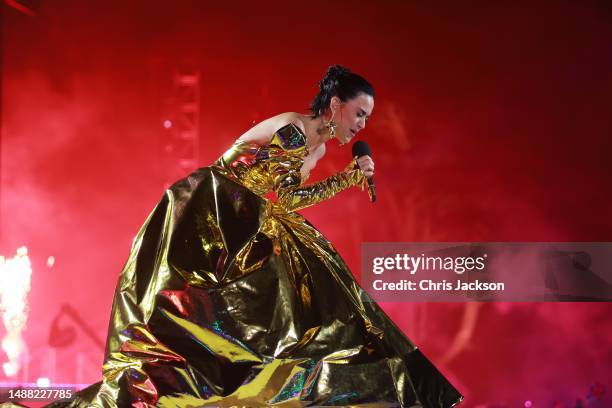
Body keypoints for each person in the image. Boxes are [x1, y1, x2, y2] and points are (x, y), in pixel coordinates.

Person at [48, 65, 463, 407]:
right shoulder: (296, 133)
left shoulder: (316, 150)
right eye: (359, 113)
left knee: (317, 281)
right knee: (189, 311)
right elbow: (283, 196)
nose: (361, 124)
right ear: (335, 105)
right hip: (214, 211)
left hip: (248, 217)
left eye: (366, 119)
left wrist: (346, 179)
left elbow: (286, 203)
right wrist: (347, 179)